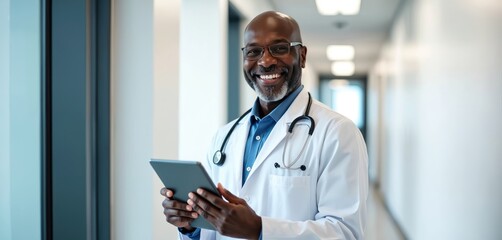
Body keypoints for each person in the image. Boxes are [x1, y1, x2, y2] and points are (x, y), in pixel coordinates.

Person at [160, 11, 368, 240]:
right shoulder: (224, 137)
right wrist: (190, 227)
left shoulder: (338, 133)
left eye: (279, 48)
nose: (265, 61)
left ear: (302, 55)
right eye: (253, 51)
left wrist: (259, 230)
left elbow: (345, 233)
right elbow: (214, 229)